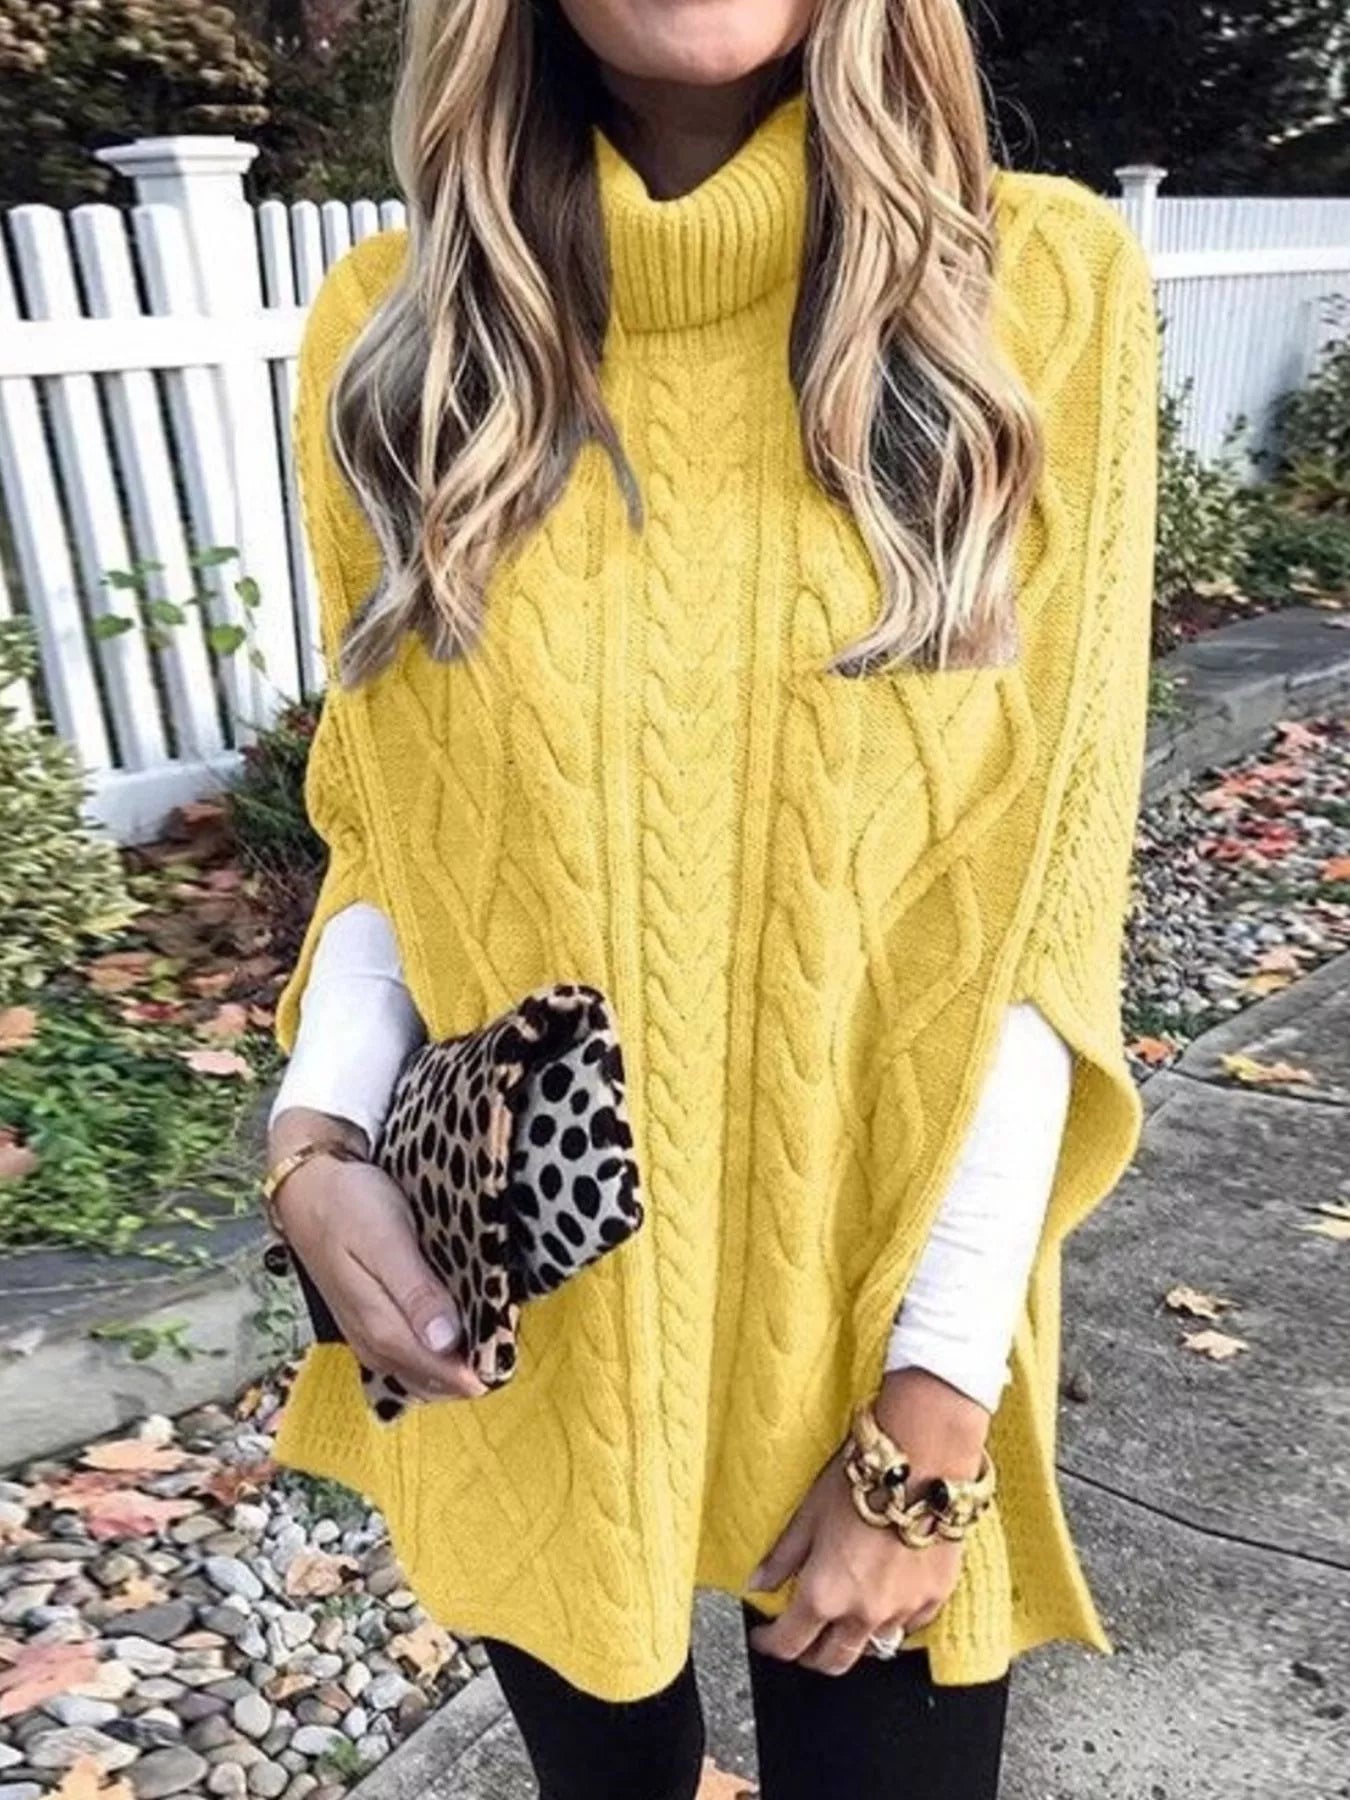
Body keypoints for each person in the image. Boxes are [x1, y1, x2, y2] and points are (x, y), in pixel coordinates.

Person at [260, 2, 1160, 1795]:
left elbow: (1034, 911)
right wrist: (317, 1136)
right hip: (533, 1287)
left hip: (877, 1289)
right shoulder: (396, 331)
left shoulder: (1035, 290)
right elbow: (395, 817)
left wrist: (932, 1413)